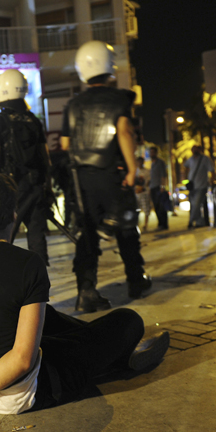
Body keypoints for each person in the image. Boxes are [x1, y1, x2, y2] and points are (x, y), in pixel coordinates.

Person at [0, 173, 169, 428]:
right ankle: (119, 354)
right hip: (21, 392)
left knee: (45, 316)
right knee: (126, 321)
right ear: (14, 214)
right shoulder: (27, 263)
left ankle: (110, 349)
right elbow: (22, 360)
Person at [60, 40, 151, 312]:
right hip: (112, 176)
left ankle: (85, 291)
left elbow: (65, 144)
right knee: (125, 229)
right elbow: (124, 132)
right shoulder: (119, 99)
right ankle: (136, 281)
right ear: (109, 67)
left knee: (87, 236)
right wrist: (133, 170)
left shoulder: (73, 104)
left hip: (82, 182)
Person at [0, 68, 52, 266]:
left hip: (12, 187)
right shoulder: (34, 120)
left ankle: (3, 278)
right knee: (36, 235)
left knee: (5, 235)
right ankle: (40, 283)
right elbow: (45, 157)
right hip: (35, 186)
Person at [183, 145, 215, 229]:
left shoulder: (205, 159)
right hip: (192, 186)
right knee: (193, 205)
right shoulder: (190, 159)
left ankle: (191, 221)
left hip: (201, 185)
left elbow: (211, 170)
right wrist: (186, 178)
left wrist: (212, 180)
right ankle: (200, 221)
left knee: (196, 204)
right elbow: (185, 167)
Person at [148, 146, 169, 230]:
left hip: (159, 187)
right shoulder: (151, 163)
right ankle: (160, 223)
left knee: (161, 207)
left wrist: (162, 186)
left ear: (156, 153)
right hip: (152, 187)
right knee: (156, 207)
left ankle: (164, 224)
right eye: (150, 152)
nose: (152, 154)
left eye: (153, 152)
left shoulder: (160, 162)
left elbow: (163, 175)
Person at [135, 157, 151, 232]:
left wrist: (143, 188)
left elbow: (148, 181)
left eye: (141, 161)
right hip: (137, 193)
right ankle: (136, 224)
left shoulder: (147, 171)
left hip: (144, 192)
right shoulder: (135, 171)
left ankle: (145, 225)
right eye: (138, 162)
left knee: (146, 209)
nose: (139, 163)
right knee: (136, 209)